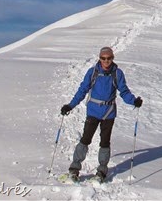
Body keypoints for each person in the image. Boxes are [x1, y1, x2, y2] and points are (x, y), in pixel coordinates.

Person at [61, 46, 142, 182]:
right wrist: (70, 105)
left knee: (105, 143)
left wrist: (134, 101)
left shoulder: (117, 74)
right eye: (103, 58)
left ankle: (102, 171)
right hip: (93, 111)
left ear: (112, 58)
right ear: (99, 58)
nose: (106, 61)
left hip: (108, 113)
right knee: (85, 139)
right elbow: (82, 90)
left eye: (109, 58)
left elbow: (124, 91)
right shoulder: (92, 72)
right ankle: (74, 170)